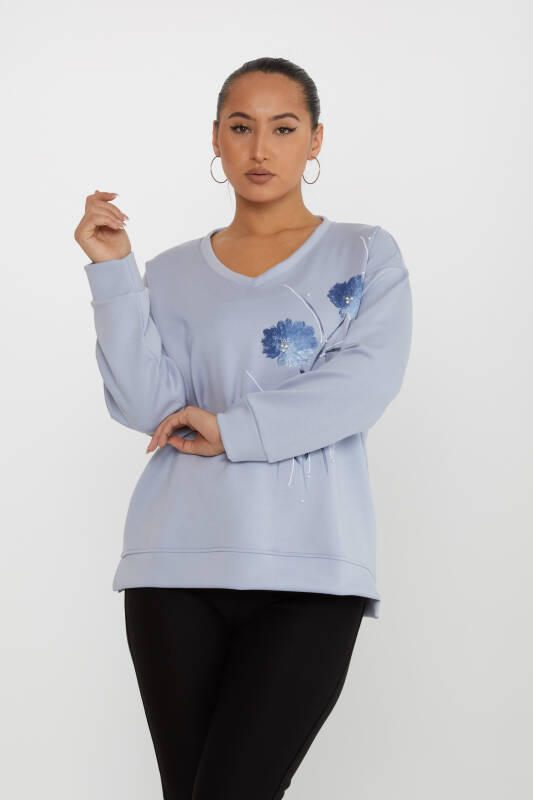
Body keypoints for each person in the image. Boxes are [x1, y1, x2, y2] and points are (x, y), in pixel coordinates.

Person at [75, 57, 413, 800]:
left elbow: (364, 385)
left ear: (315, 140)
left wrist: (232, 429)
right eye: (241, 127)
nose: (260, 149)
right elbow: (146, 405)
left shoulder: (363, 253)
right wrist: (113, 273)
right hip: (173, 567)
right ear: (216, 139)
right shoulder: (168, 272)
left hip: (310, 571)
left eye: (283, 128)